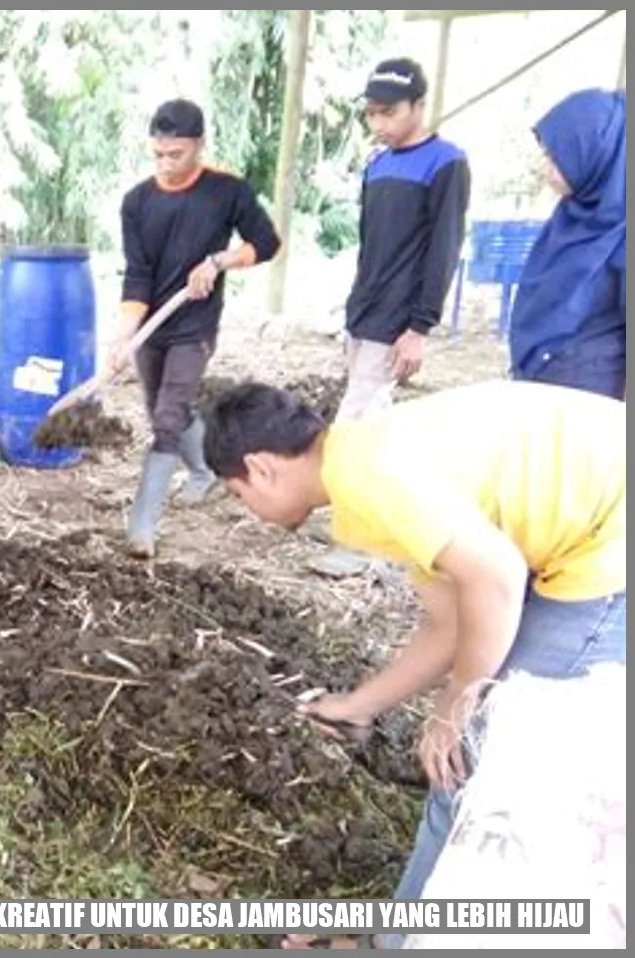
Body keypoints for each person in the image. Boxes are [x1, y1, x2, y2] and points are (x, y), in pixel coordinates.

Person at [201, 379, 626, 950]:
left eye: (237, 494)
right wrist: (358, 706)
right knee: (467, 757)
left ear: (261, 468)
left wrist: (455, 707)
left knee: (474, 759)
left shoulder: (370, 474)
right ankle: (402, 935)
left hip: (609, 546)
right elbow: (449, 623)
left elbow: (497, 578)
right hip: (595, 528)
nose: (246, 511)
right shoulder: (361, 461)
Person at [109, 98, 281, 557]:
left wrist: (220, 261)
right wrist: (124, 337)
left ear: (199, 145)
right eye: (158, 155)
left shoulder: (227, 192)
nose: (166, 164)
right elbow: (137, 275)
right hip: (152, 327)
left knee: (166, 420)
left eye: (176, 154)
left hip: (195, 326)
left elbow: (267, 242)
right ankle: (205, 470)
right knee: (162, 409)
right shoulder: (137, 203)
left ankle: (141, 528)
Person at [335, 57, 470, 421]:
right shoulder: (376, 165)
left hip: (396, 315)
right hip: (362, 310)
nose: (379, 124)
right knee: (371, 415)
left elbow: (445, 249)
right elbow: (369, 246)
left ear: (419, 106)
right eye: (371, 114)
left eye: (389, 112)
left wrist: (419, 328)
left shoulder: (445, 162)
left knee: (353, 422)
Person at [509, 88, 626, 400]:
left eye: (556, 157)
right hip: (541, 377)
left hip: (587, 398)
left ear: (595, 154)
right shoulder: (573, 214)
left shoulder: (620, 230)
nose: (545, 166)